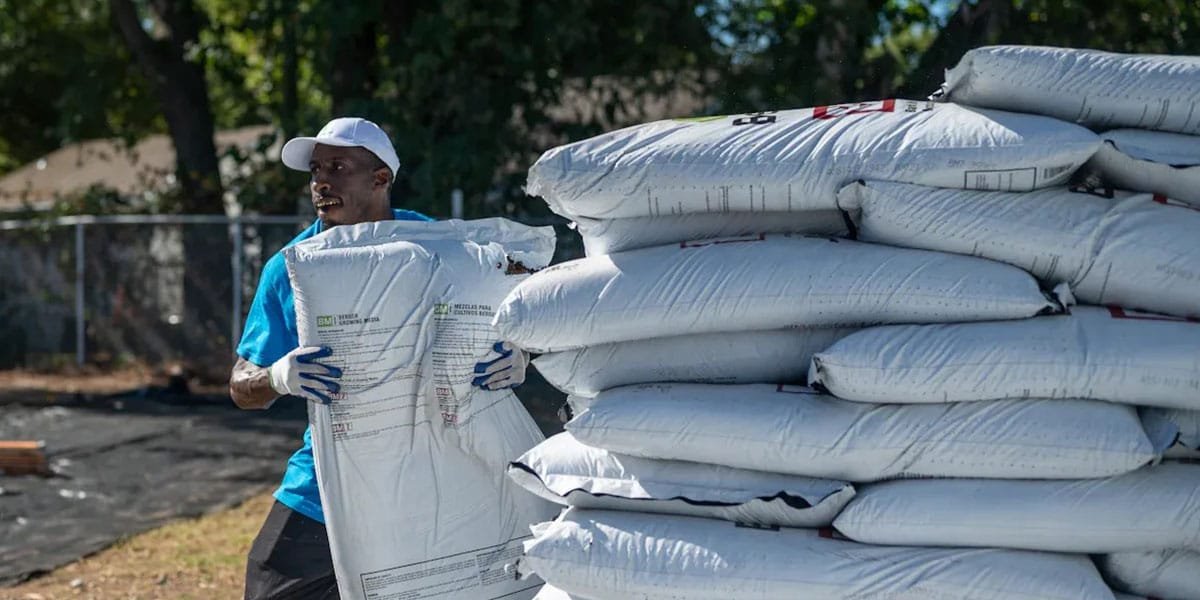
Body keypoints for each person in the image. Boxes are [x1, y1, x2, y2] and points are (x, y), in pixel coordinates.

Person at [229, 117, 529, 599]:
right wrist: (278, 377)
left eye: (338, 167)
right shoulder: (291, 266)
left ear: (381, 178)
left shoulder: (440, 247)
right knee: (271, 585)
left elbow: (504, 320)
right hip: (331, 478)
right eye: (315, 170)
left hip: (441, 468)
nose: (321, 182)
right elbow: (241, 386)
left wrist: (516, 354)